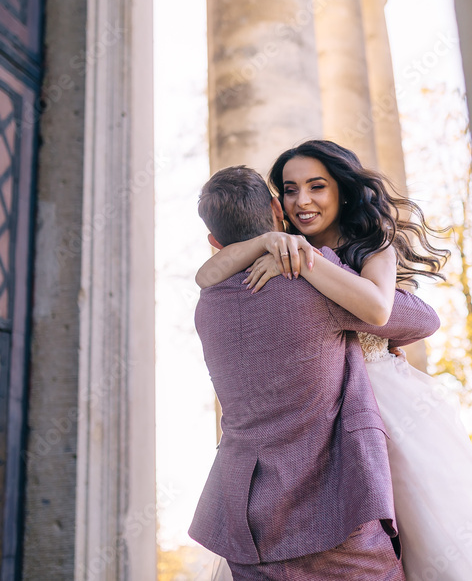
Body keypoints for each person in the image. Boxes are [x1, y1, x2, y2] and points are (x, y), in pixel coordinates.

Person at [198, 140, 472, 580]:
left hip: (387, 408)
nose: (303, 201)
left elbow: (412, 316)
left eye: (317, 186)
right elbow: (207, 274)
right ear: (277, 207)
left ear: (343, 190)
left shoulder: (359, 252)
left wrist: (309, 264)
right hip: (330, 417)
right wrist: (273, 245)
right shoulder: (283, 251)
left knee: (435, 537)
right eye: (290, 190)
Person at [189, 165, 441, 580]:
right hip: (333, 512)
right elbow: (420, 321)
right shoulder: (312, 276)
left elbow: (208, 275)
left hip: (247, 525)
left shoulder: (208, 305)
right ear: (276, 210)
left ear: (215, 242)